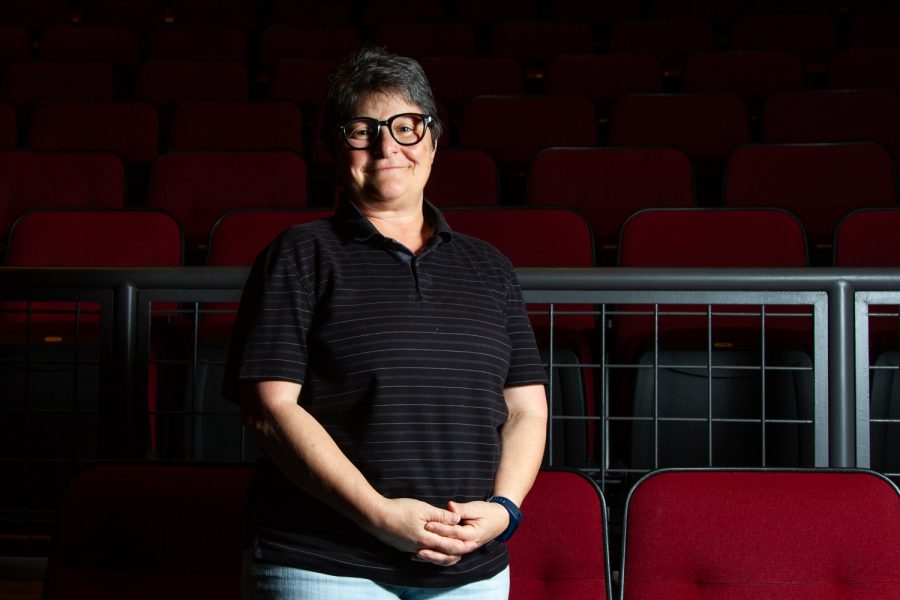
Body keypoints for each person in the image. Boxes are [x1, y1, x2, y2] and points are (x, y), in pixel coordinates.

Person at [225, 46, 548, 600]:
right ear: (335, 146)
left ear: (433, 140)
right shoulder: (298, 256)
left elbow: (526, 407)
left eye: (406, 126)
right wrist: (378, 515)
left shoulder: (490, 267)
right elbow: (270, 410)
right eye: (362, 129)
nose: (386, 146)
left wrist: (504, 511)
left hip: (471, 570)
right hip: (323, 565)